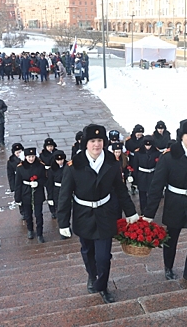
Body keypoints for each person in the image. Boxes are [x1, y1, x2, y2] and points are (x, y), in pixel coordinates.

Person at [57, 124, 139, 304]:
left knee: (103, 256)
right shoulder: (73, 166)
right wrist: (63, 222)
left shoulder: (111, 162)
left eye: (100, 140)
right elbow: (64, 196)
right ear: (86, 143)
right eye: (92, 141)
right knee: (88, 252)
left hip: (105, 213)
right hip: (83, 214)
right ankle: (91, 274)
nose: (96, 145)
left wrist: (131, 212)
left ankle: (102, 285)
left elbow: (120, 189)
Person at [142, 119, 187, 288]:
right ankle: (168, 267)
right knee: (171, 239)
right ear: (181, 136)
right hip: (175, 201)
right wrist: (149, 213)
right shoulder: (168, 156)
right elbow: (156, 186)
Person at [14, 147, 48, 243]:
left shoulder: (40, 166)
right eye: (29, 157)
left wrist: (38, 183)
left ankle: (40, 233)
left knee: (38, 214)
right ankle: (30, 229)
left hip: (37, 193)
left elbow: (45, 179)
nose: (31, 159)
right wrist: (18, 198)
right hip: (26, 193)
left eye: (32, 156)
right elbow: (18, 184)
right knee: (28, 214)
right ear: (25, 157)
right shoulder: (20, 167)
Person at [132, 135, 161, 212]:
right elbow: (135, 166)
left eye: (150, 145)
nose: (148, 147)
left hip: (152, 175)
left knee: (151, 195)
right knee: (142, 195)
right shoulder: (138, 153)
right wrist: (135, 179)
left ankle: (150, 211)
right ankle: (143, 211)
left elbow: (158, 167)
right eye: (146, 145)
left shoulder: (157, 152)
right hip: (142, 175)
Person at [7, 143, 26, 220]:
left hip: (25, 181)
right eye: (17, 152)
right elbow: (10, 175)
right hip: (17, 182)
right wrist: (13, 186)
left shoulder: (26, 158)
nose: (19, 154)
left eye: (20, 152)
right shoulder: (11, 161)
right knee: (20, 198)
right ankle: (22, 212)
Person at [45, 149, 66, 219]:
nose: (60, 162)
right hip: (56, 189)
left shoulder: (68, 166)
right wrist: (50, 197)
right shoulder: (51, 170)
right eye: (58, 160)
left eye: (62, 160)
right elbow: (50, 184)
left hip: (66, 188)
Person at [124, 124, 145, 195]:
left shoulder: (144, 140)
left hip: (141, 158)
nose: (139, 136)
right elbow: (127, 149)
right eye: (138, 134)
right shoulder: (129, 140)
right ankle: (133, 186)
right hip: (132, 158)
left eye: (140, 134)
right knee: (132, 172)